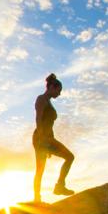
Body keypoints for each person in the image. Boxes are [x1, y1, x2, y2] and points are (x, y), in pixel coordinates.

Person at [32, 73, 74, 203]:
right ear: (51, 87)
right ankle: (37, 198)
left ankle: (59, 186)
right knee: (40, 169)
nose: (59, 94)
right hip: (41, 138)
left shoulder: (49, 102)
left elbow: (49, 125)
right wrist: (43, 141)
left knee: (69, 157)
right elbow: (38, 120)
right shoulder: (41, 99)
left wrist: (49, 142)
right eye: (58, 90)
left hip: (48, 138)